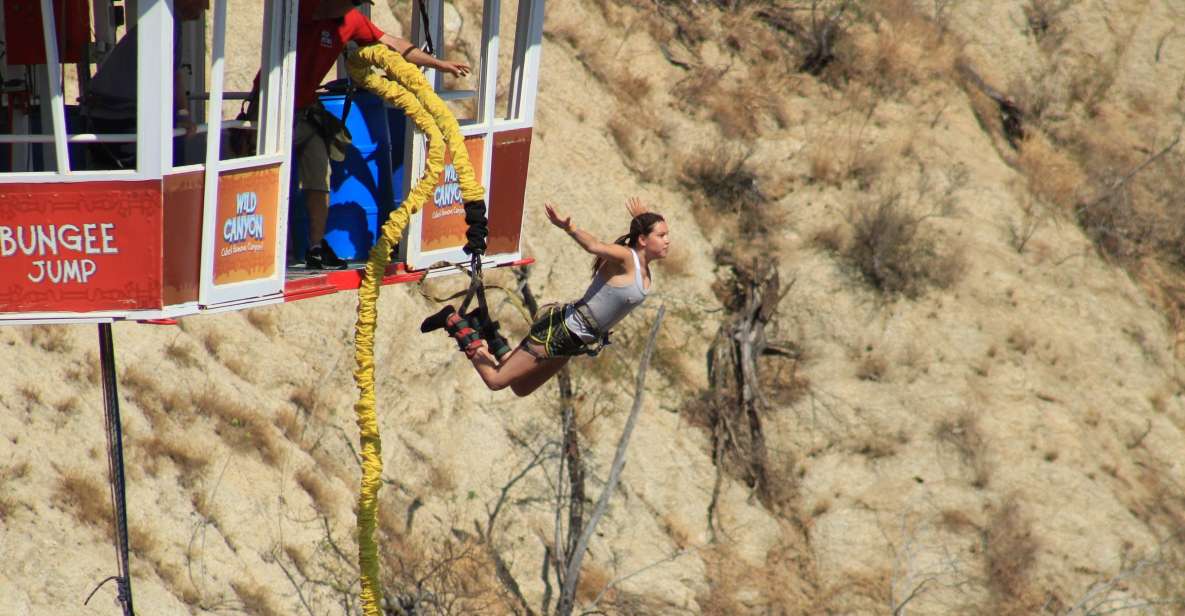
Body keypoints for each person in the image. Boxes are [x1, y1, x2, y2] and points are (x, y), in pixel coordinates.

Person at [421, 198, 671, 397]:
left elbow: (641, 235)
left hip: (576, 342)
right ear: (642, 240)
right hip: (562, 330)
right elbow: (595, 246)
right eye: (662, 235)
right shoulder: (627, 258)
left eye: (666, 234)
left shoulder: (645, 270)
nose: (667, 240)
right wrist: (569, 228)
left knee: (520, 387)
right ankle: (454, 321)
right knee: (496, 381)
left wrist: (641, 218)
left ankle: (486, 329)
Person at [292, 0, 471, 269]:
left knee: (319, 179)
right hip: (274, 111)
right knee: (261, 174)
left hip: (306, 113)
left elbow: (396, 46)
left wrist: (439, 64)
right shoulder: (302, 9)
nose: (354, 5)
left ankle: (316, 248)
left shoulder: (352, 20)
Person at [82, 0, 206, 169]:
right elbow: (172, 76)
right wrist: (183, 116)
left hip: (103, 114)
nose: (205, 7)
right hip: (121, 118)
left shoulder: (165, 21)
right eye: (202, 2)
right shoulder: (166, 22)